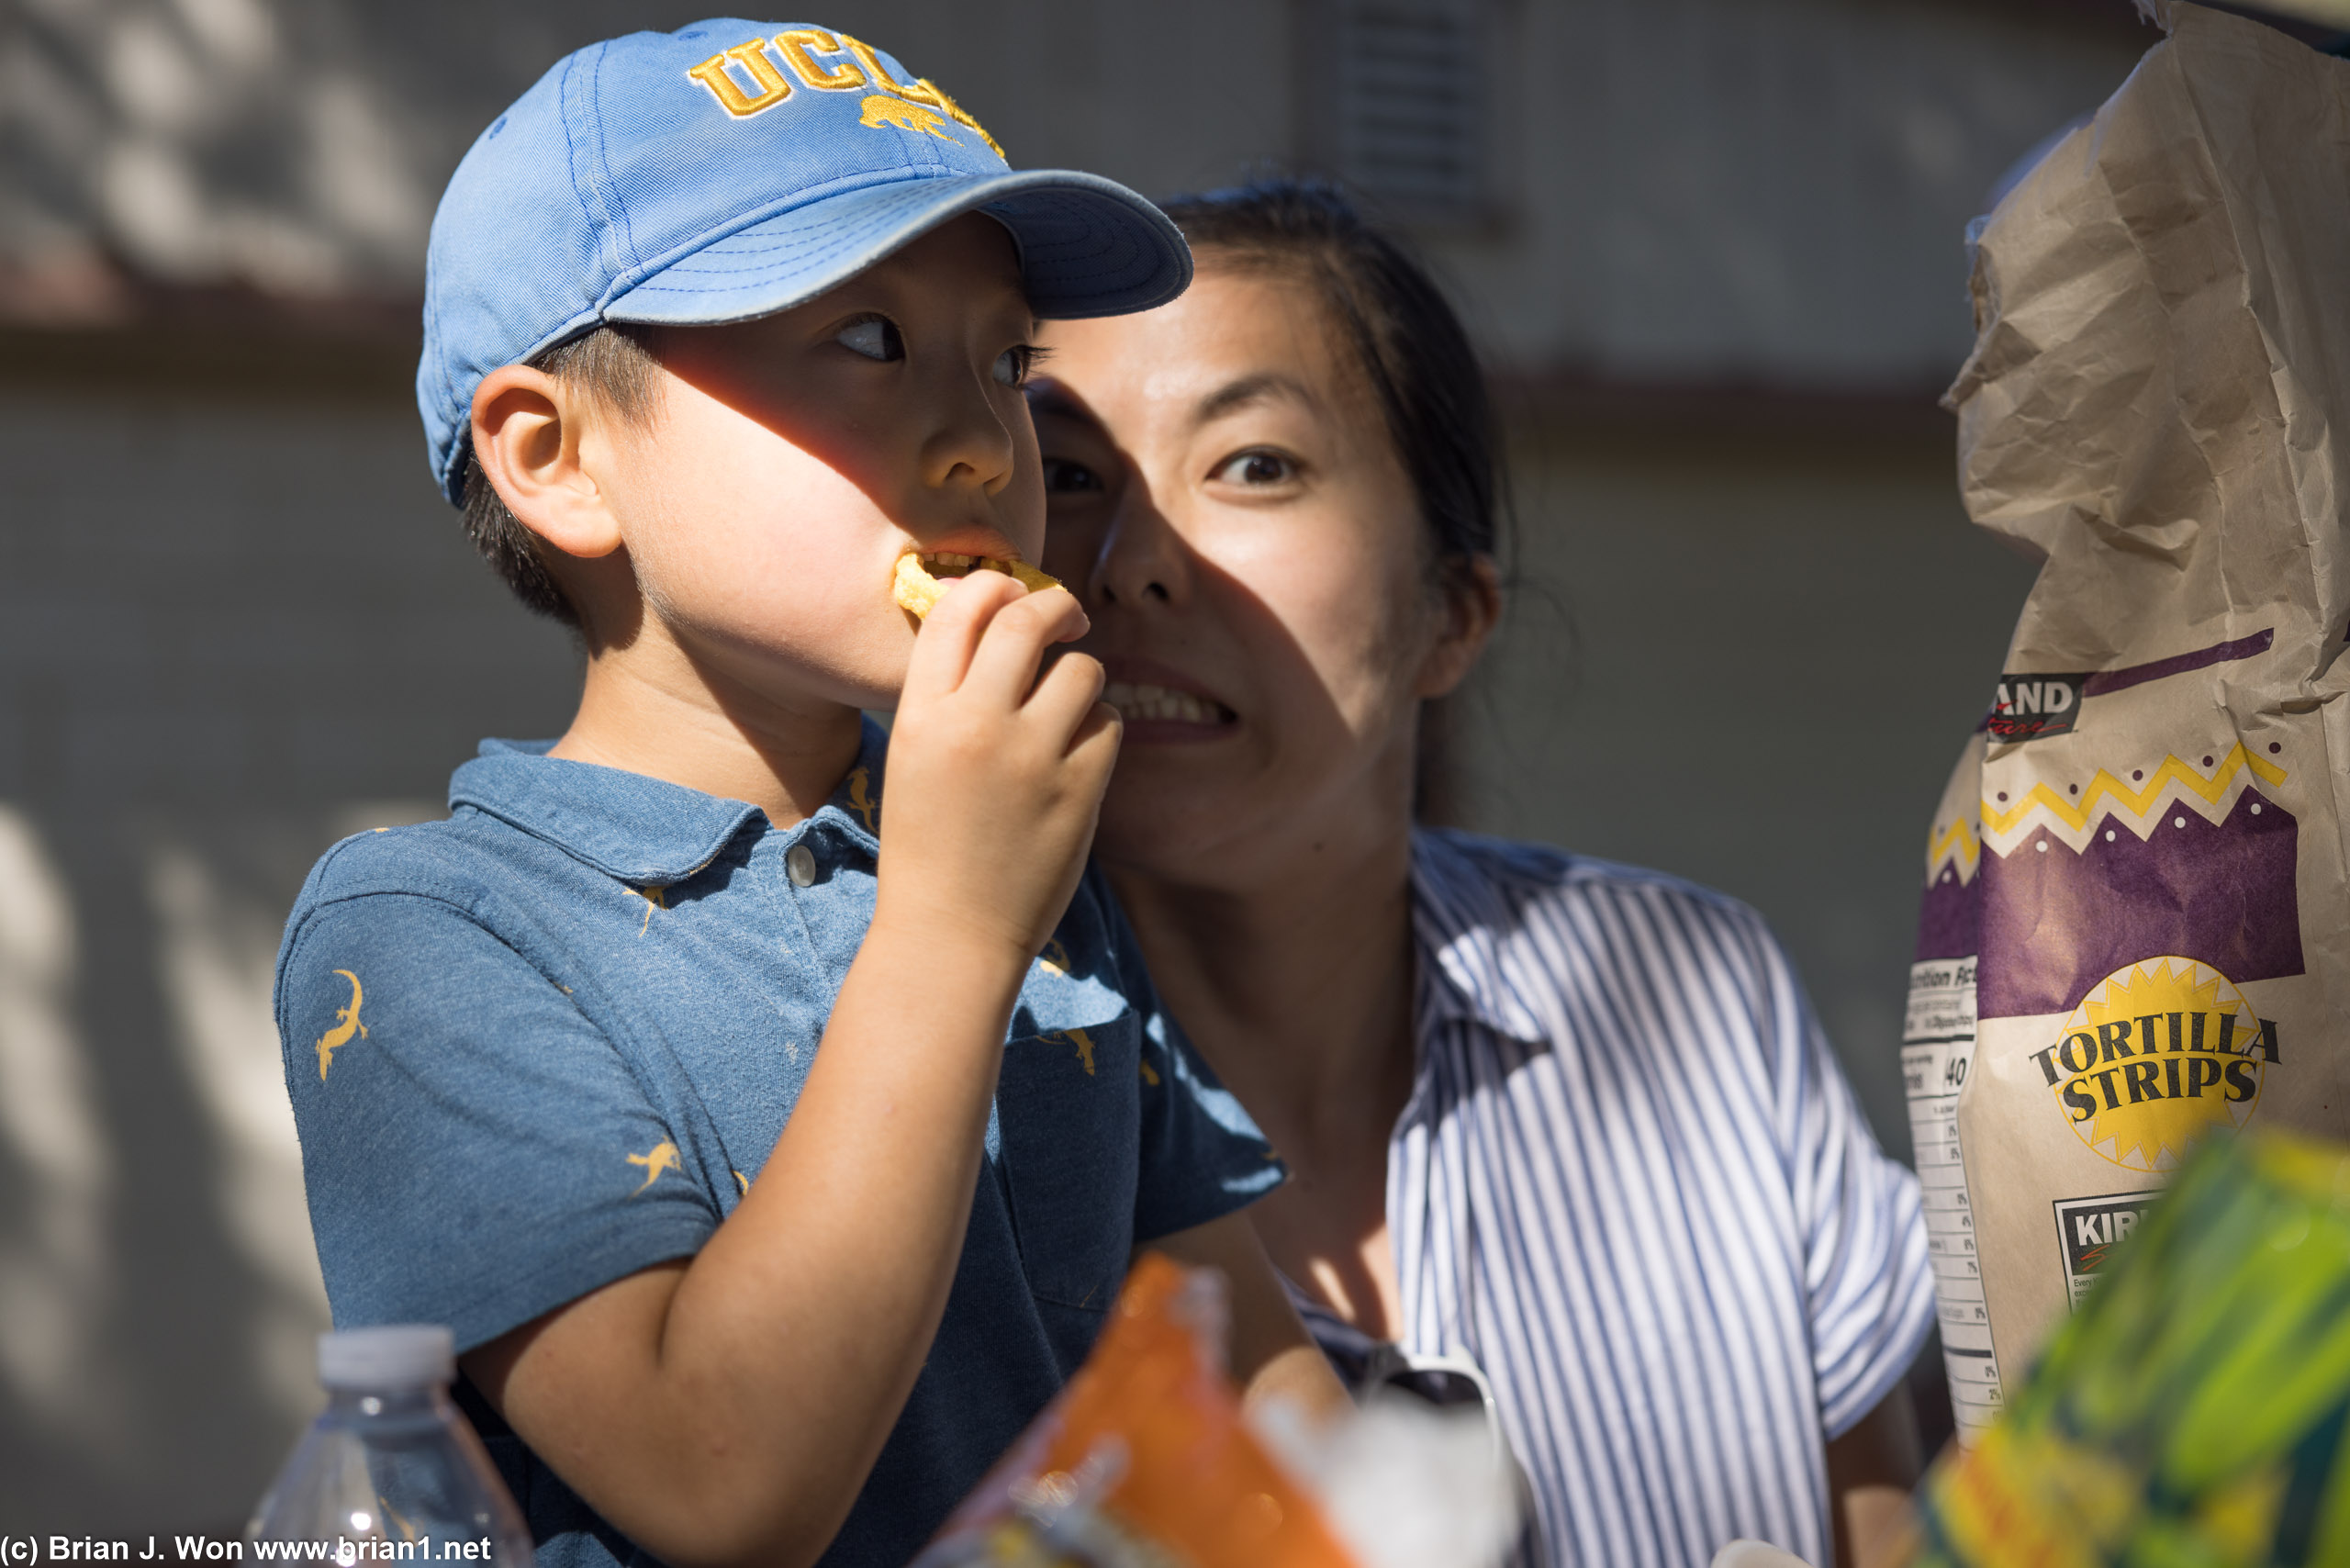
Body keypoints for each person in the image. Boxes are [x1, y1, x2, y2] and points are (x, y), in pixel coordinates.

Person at [274, 28, 1343, 1568]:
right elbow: (720, 1488)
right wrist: (960, 925)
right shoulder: (432, 935)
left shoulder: (1016, 858)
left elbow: (1242, 1366)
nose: (989, 443)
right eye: (865, 340)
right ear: (558, 457)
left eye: (1009, 361)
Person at [1030, 179, 1935, 1568]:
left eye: (1255, 463)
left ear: (1450, 616)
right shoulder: (925, 1094)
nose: (1135, 564)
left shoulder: (1698, 989)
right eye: (1071, 475)